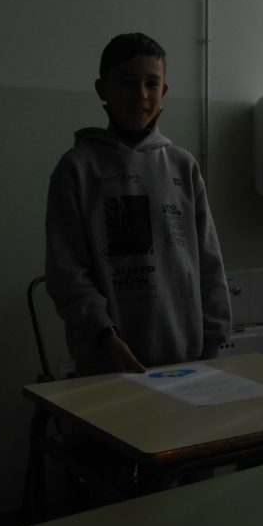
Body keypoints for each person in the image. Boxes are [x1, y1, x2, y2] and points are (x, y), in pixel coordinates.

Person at [45, 32, 232, 375]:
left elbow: (208, 261)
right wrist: (104, 336)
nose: (141, 95)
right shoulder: (78, 169)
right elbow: (67, 273)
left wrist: (214, 338)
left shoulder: (183, 166)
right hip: (108, 362)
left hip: (186, 359)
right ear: (102, 89)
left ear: (164, 91)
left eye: (151, 83)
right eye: (126, 83)